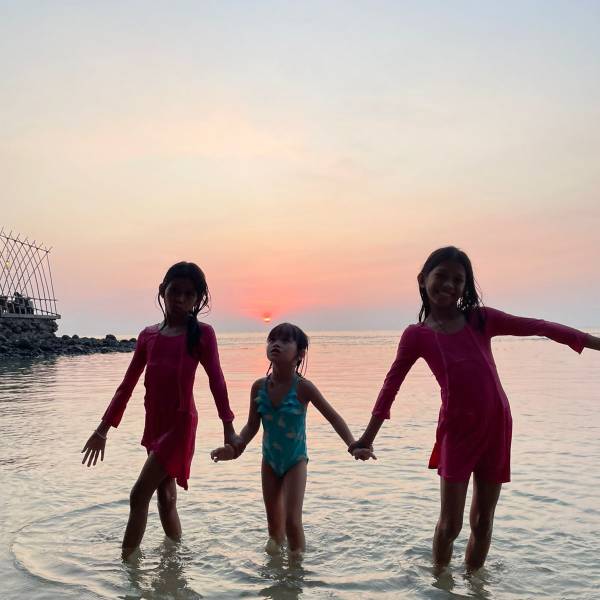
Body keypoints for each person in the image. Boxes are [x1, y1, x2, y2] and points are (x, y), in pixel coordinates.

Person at [349, 246, 600, 572]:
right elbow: (390, 387)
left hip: (497, 425)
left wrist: (594, 343)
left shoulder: (480, 319)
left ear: (465, 287)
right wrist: (367, 439)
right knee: (450, 525)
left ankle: (475, 585)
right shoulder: (417, 335)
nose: (449, 285)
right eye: (442, 276)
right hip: (457, 430)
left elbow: (539, 326)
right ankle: (440, 582)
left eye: (458, 280)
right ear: (423, 279)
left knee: (483, 521)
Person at [81, 261, 242, 558]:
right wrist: (102, 430)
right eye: (174, 291)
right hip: (155, 423)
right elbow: (127, 385)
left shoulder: (202, 334)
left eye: (189, 294)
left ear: (198, 299)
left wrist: (228, 428)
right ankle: (175, 563)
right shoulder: (148, 336)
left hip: (180, 425)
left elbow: (217, 381)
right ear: (162, 291)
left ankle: (127, 569)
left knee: (138, 495)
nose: (180, 299)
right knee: (165, 498)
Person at [210, 322, 375, 557]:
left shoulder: (303, 388)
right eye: (272, 339)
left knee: (292, 521)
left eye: (285, 341)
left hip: (295, 462)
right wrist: (234, 449)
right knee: (273, 525)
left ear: (300, 354)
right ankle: (276, 571)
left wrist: (353, 445)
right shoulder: (259, 387)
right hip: (269, 462)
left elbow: (333, 417)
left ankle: (297, 569)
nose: (276, 344)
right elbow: (252, 426)